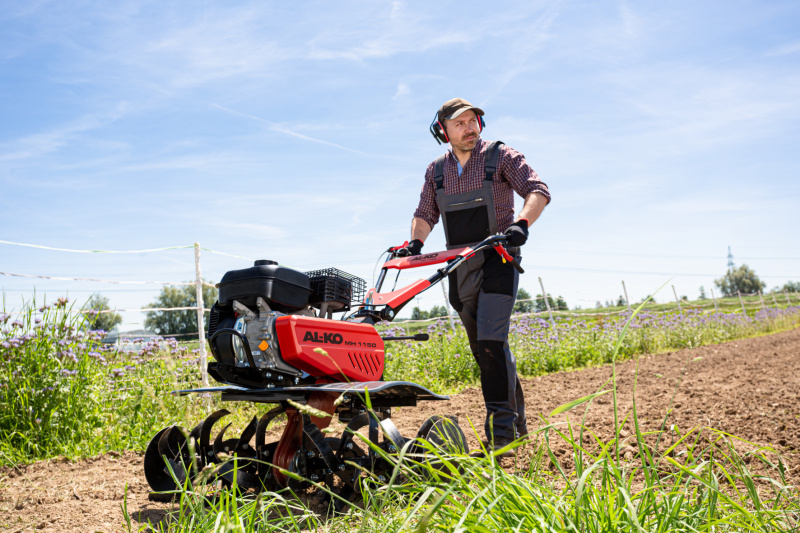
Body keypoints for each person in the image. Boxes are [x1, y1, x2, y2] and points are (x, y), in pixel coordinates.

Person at [397, 98, 550, 450]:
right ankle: (518, 423)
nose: (469, 128)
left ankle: (501, 437)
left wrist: (521, 224)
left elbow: (537, 190)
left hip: (499, 259)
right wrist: (415, 243)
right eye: (459, 123)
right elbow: (425, 212)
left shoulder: (500, 156)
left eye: (473, 121)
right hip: (459, 266)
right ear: (443, 131)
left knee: (493, 341)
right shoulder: (436, 171)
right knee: (484, 349)